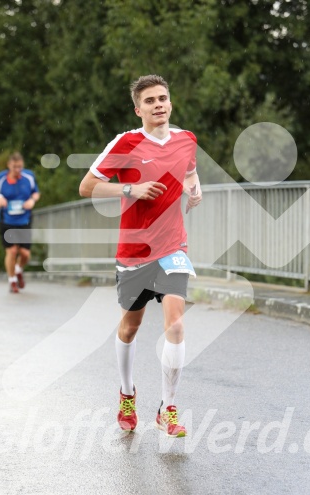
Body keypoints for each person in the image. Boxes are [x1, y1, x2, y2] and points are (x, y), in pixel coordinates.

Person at [79, 74, 202, 437]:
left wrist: (195, 192)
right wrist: (131, 187)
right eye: (150, 101)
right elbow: (87, 186)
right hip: (134, 252)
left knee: (176, 323)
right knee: (130, 327)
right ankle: (127, 393)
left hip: (173, 247)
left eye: (163, 98)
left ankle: (168, 407)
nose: (159, 105)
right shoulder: (126, 142)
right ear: (139, 109)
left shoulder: (186, 139)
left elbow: (191, 173)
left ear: (171, 103)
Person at [0, 152, 40, 293]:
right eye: (14, 167)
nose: (17, 170)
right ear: (9, 165)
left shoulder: (29, 176)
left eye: (20, 167)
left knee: (25, 254)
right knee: (11, 251)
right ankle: (12, 281)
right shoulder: (1, 178)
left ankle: (18, 269)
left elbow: (36, 192)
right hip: (7, 220)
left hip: (24, 219)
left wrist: (32, 200)